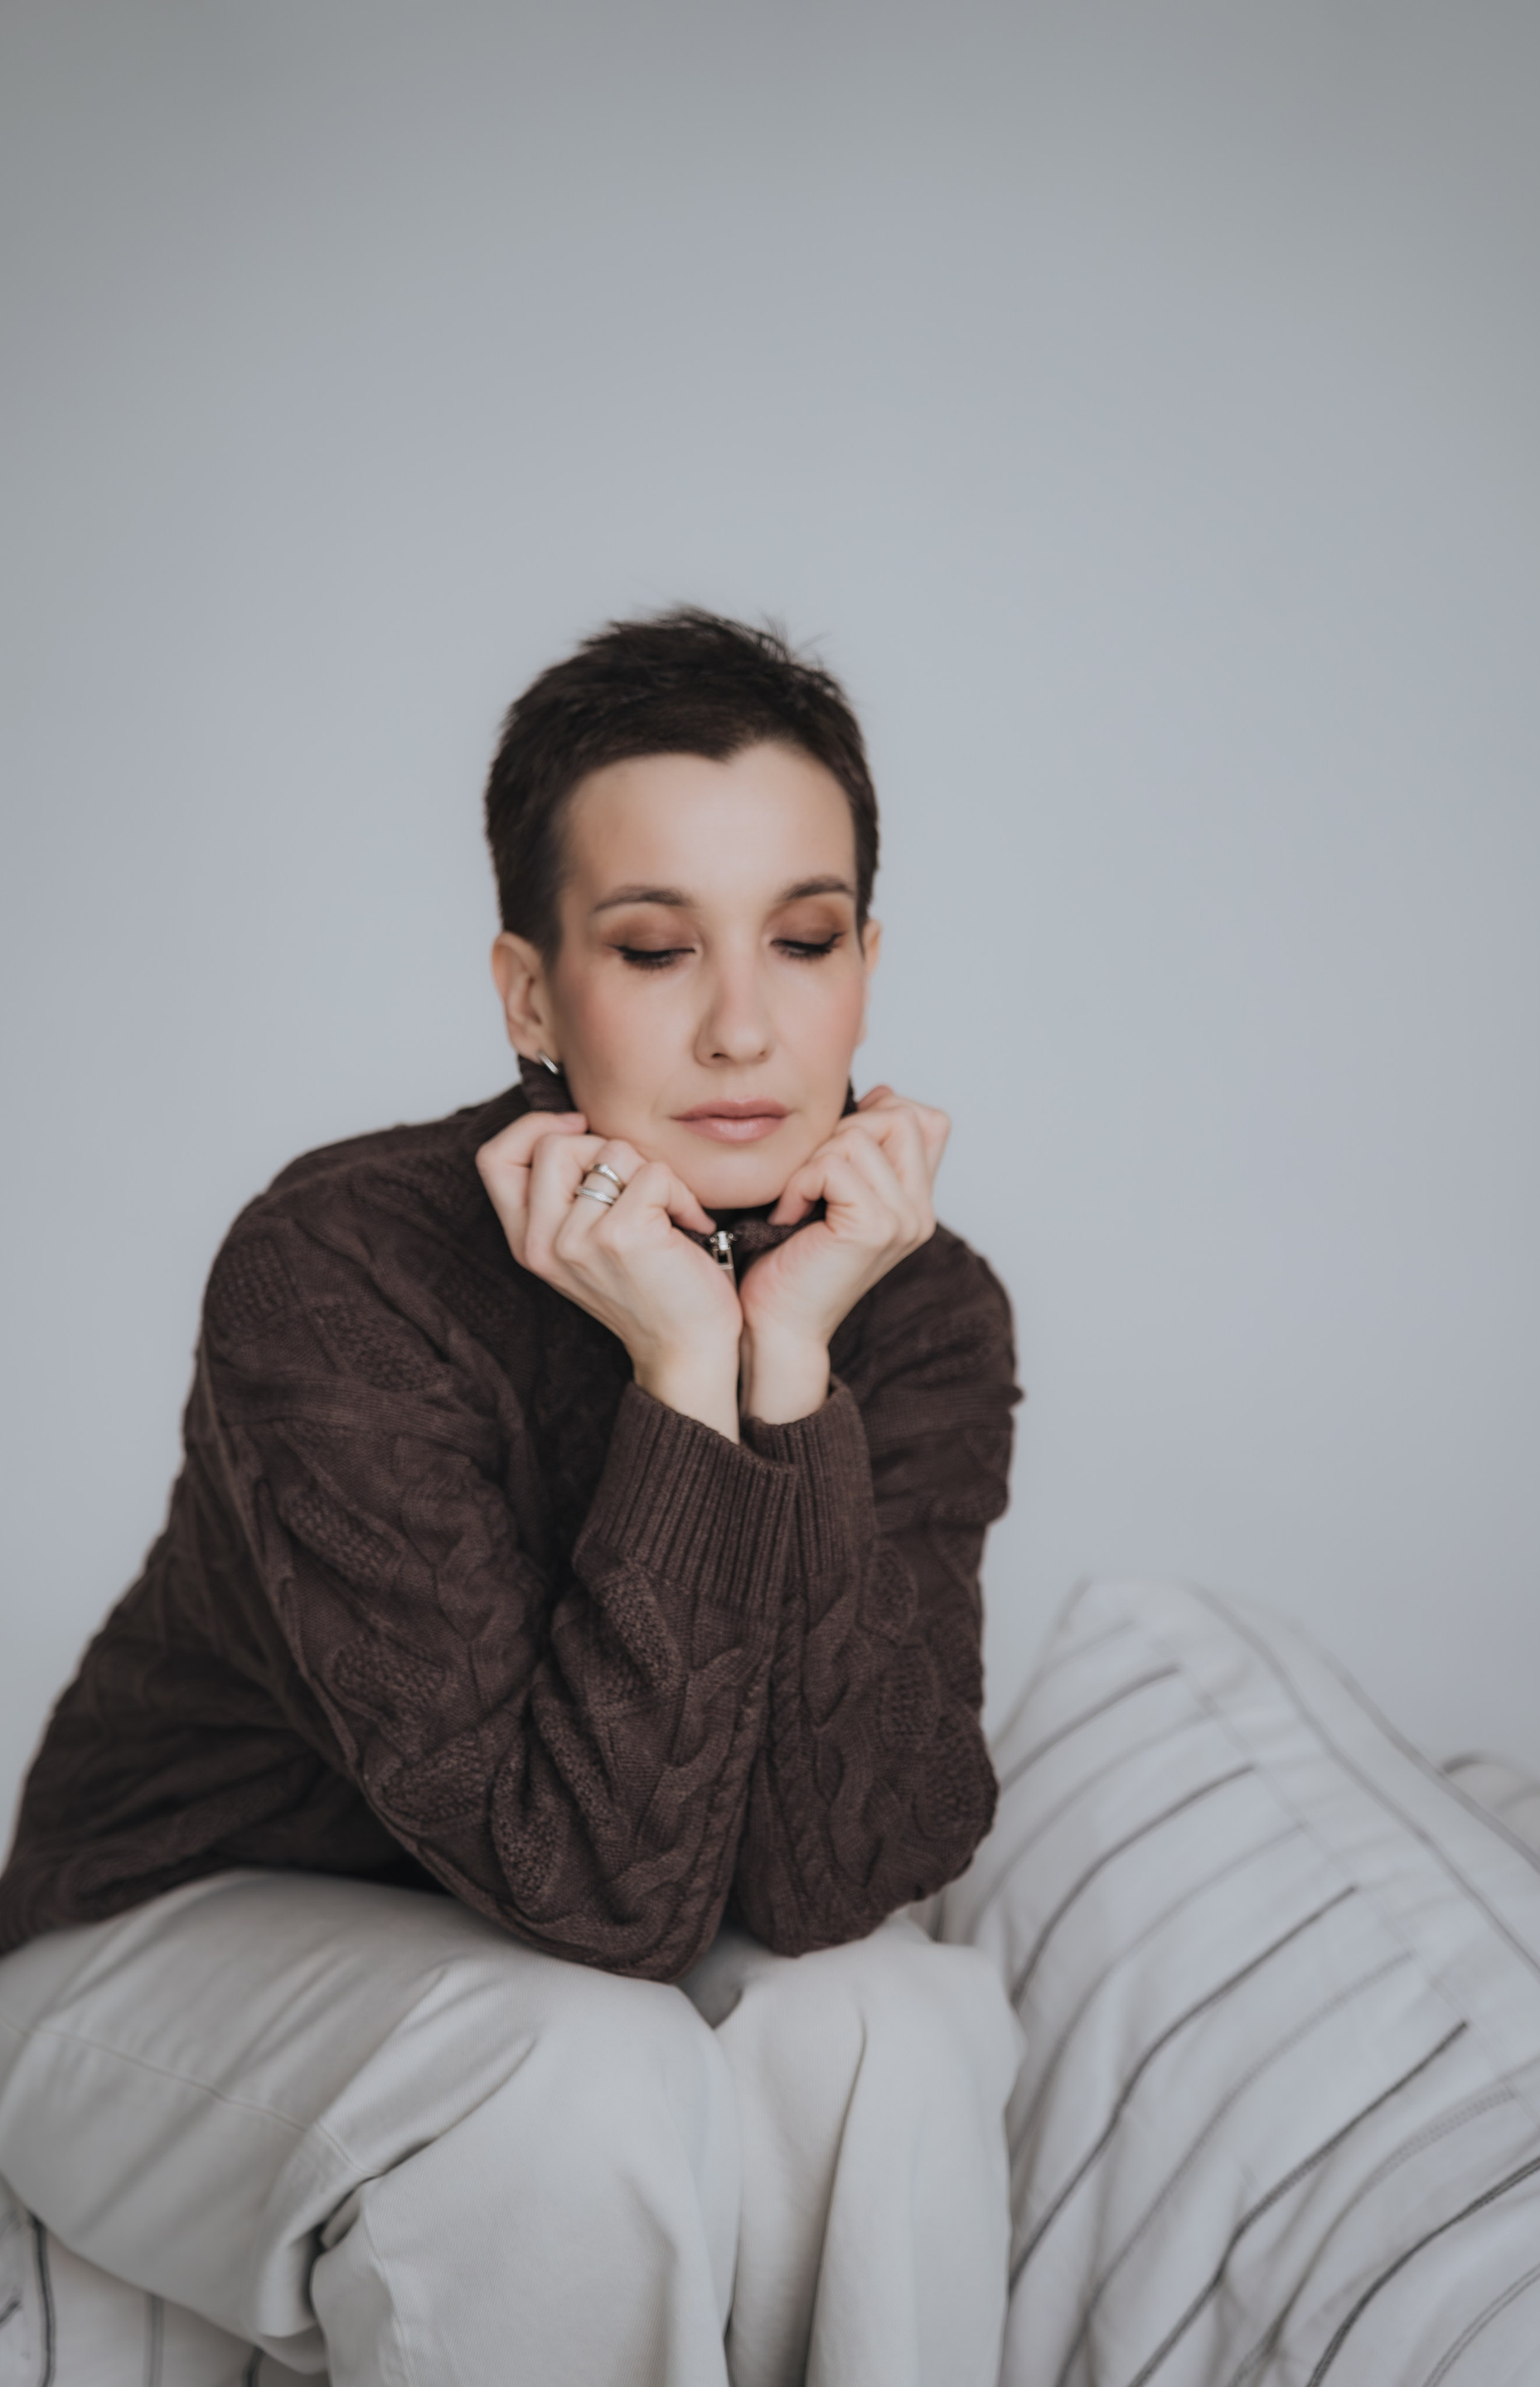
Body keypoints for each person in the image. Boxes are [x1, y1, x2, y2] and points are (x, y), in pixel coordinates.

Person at [0, 610, 1024, 2386]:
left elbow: (838, 1876)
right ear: (532, 993)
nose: (742, 1027)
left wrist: (789, 1365)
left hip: (566, 1926)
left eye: (803, 940)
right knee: (571, 2064)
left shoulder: (914, 1308)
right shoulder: (340, 1270)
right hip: (174, 1936)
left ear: (868, 961)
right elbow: (604, 1903)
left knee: (892, 2024)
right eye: (655, 949)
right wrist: (680, 1372)